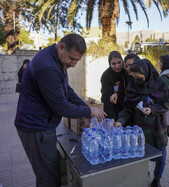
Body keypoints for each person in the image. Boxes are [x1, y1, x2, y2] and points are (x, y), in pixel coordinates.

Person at [14, 34, 107, 187]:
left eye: (77, 60)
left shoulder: (56, 59)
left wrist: (87, 108)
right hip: (35, 128)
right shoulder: (47, 67)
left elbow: (66, 90)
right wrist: (88, 112)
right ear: (61, 47)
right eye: (72, 59)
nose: (74, 64)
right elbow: (61, 106)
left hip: (42, 124)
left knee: (48, 173)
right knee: (48, 178)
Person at [114, 59, 169, 187]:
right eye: (133, 77)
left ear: (146, 73)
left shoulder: (160, 84)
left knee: (161, 157)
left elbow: (168, 103)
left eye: (139, 77)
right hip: (140, 129)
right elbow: (128, 108)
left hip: (157, 127)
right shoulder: (132, 86)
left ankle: (157, 179)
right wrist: (120, 121)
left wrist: (152, 109)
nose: (136, 80)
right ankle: (143, 174)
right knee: (141, 155)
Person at [101, 51, 126, 121]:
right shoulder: (106, 76)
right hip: (112, 108)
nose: (117, 66)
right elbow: (106, 98)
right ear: (110, 64)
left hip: (126, 109)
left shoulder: (126, 72)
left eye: (119, 62)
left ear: (122, 61)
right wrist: (112, 118)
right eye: (113, 64)